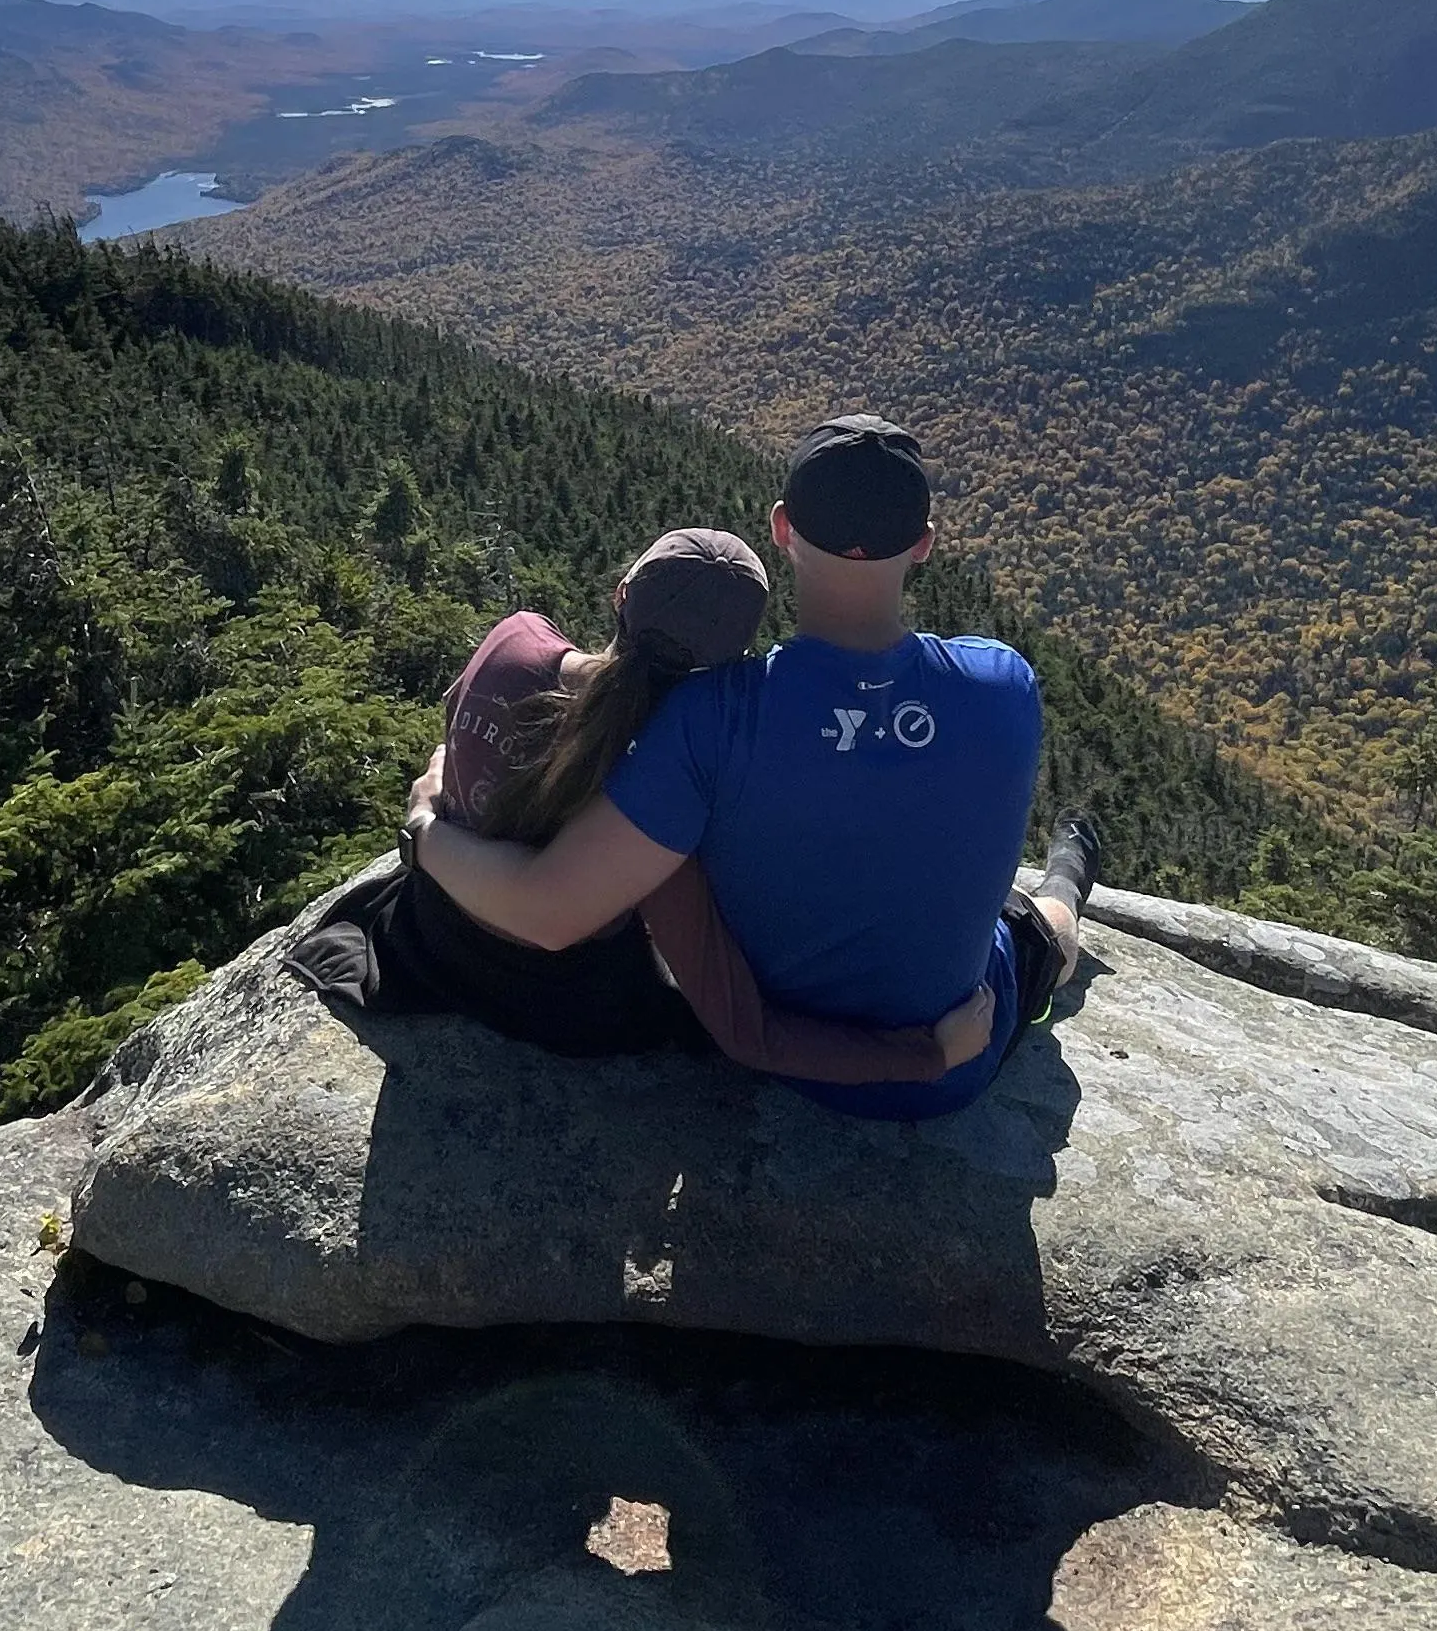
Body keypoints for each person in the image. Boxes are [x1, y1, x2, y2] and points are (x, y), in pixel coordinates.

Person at [411, 417, 1102, 1120]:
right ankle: (1070, 872)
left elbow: (548, 909)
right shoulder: (1004, 683)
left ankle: (1066, 873)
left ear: (782, 528)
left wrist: (425, 826)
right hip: (958, 1055)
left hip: (793, 1064)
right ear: (925, 542)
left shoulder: (709, 720)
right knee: (1042, 932)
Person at [290, 525, 994, 1084]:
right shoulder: (661, 788)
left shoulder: (514, 639)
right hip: (559, 1006)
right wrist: (927, 1056)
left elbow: (451, 740)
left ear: (621, 595)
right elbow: (747, 1032)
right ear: (731, 663)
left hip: (430, 937)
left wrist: (430, 813)